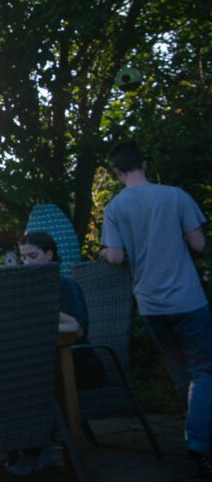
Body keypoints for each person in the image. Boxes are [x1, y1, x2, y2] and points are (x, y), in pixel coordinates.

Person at [99, 139, 210, 477]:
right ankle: (199, 441)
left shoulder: (115, 209)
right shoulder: (175, 196)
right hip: (188, 299)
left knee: (180, 371)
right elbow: (199, 245)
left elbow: (116, 257)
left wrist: (104, 253)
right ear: (143, 163)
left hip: (150, 304)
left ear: (117, 171)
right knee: (205, 369)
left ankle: (195, 433)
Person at [7, 231, 105, 477]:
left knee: (31, 381)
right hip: (48, 363)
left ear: (49, 255)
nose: (28, 262)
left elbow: (79, 329)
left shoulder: (65, 285)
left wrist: (45, 306)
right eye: (24, 258)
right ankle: (30, 451)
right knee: (11, 376)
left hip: (80, 363)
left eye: (33, 256)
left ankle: (36, 453)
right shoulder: (29, 290)